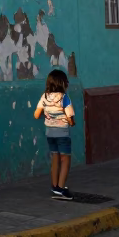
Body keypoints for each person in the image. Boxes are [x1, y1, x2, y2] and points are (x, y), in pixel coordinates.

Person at [33, 69, 75, 200]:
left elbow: (36, 114)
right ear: (62, 83)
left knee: (55, 159)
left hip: (49, 133)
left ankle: (55, 185)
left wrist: (48, 115)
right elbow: (70, 119)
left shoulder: (44, 96)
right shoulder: (64, 98)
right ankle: (61, 189)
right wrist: (70, 122)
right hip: (62, 132)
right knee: (65, 159)